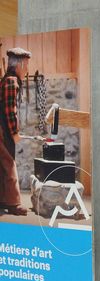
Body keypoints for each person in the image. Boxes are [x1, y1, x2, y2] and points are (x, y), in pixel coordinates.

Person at [0, 47, 31, 216]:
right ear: (18, 65)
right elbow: (10, 110)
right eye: (25, 65)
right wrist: (15, 132)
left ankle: (4, 199)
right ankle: (13, 203)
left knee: (3, 165)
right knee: (9, 164)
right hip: (2, 130)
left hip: (2, 128)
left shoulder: (8, 80)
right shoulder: (11, 81)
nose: (26, 69)